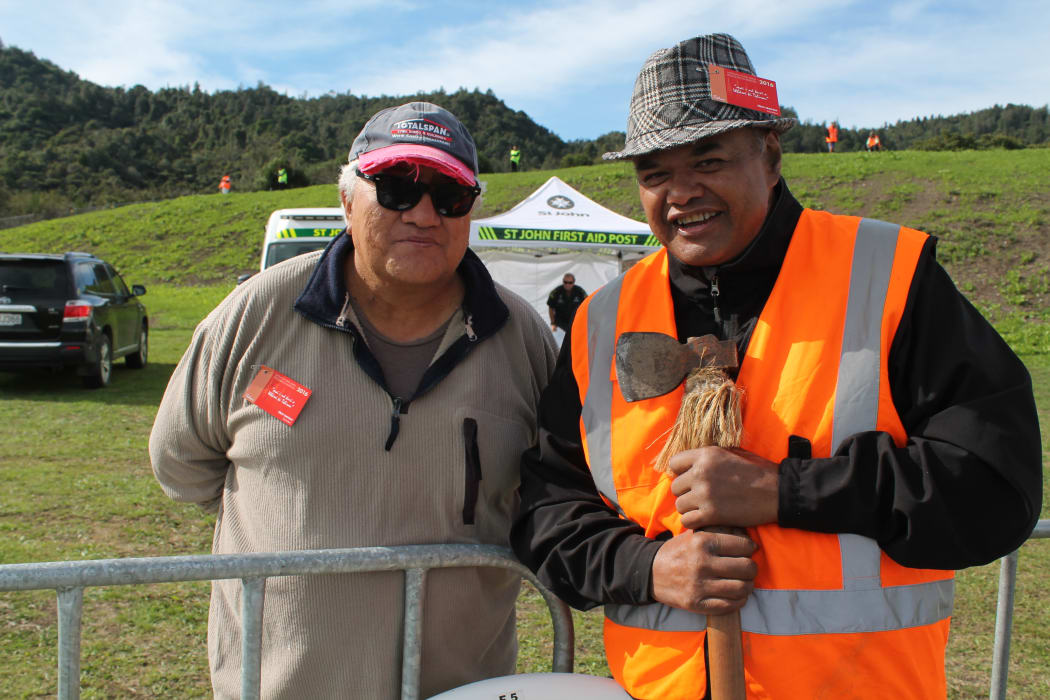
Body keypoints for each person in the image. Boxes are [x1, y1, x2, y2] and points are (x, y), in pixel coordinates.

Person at [510, 33, 1041, 700]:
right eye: (654, 173)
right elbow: (545, 509)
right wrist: (649, 567)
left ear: (769, 152)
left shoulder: (890, 278)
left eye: (708, 160)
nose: (680, 194)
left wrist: (786, 492)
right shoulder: (603, 321)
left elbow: (996, 490)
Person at [150, 101, 556, 699]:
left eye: (449, 195)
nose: (422, 213)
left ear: (470, 212)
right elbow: (182, 465)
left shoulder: (522, 340)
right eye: (395, 187)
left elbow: (555, 492)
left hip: (461, 690)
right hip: (279, 688)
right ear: (346, 201)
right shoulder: (255, 316)